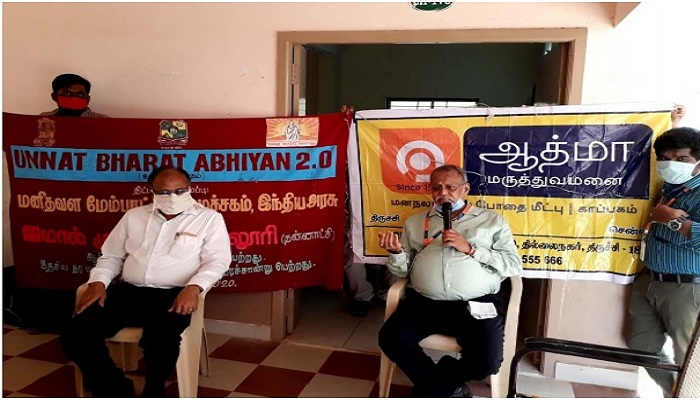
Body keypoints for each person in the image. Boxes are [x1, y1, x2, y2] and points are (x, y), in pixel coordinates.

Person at [60, 166, 232, 397]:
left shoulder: (208, 219)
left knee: (161, 340)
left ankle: (154, 388)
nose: (173, 197)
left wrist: (194, 287)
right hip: (130, 292)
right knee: (76, 332)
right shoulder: (134, 217)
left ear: (190, 189)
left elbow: (217, 261)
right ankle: (115, 389)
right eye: (165, 192)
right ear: (152, 191)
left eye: (180, 191)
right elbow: (111, 256)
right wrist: (98, 282)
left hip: (173, 295)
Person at [377, 164, 522, 397]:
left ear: (465, 189)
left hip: (476, 303)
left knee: (486, 362)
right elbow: (403, 271)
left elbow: (513, 264)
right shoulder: (415, 222)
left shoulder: (491, 221)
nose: (443, 193)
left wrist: (471, 249)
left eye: (450, 187)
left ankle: (436, 383)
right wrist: (396, 253)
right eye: (437, 188)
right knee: (390, 338)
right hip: (425, 301)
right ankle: (447, 389)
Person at [626, 127, 700, 397]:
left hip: (686, 288)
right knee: (641, 345)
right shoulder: (670, 187)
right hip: (649, 280)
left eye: (681, 159)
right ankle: (675, 393)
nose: (672, 164)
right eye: (665, 158)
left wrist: (673, 220)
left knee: (688, 359)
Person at [40, 73, 109, 117]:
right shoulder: (42, 119)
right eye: (67, 94)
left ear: (88, 99)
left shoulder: (104, 122)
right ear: (54, 97)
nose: (74, 98)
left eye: (80, 94)